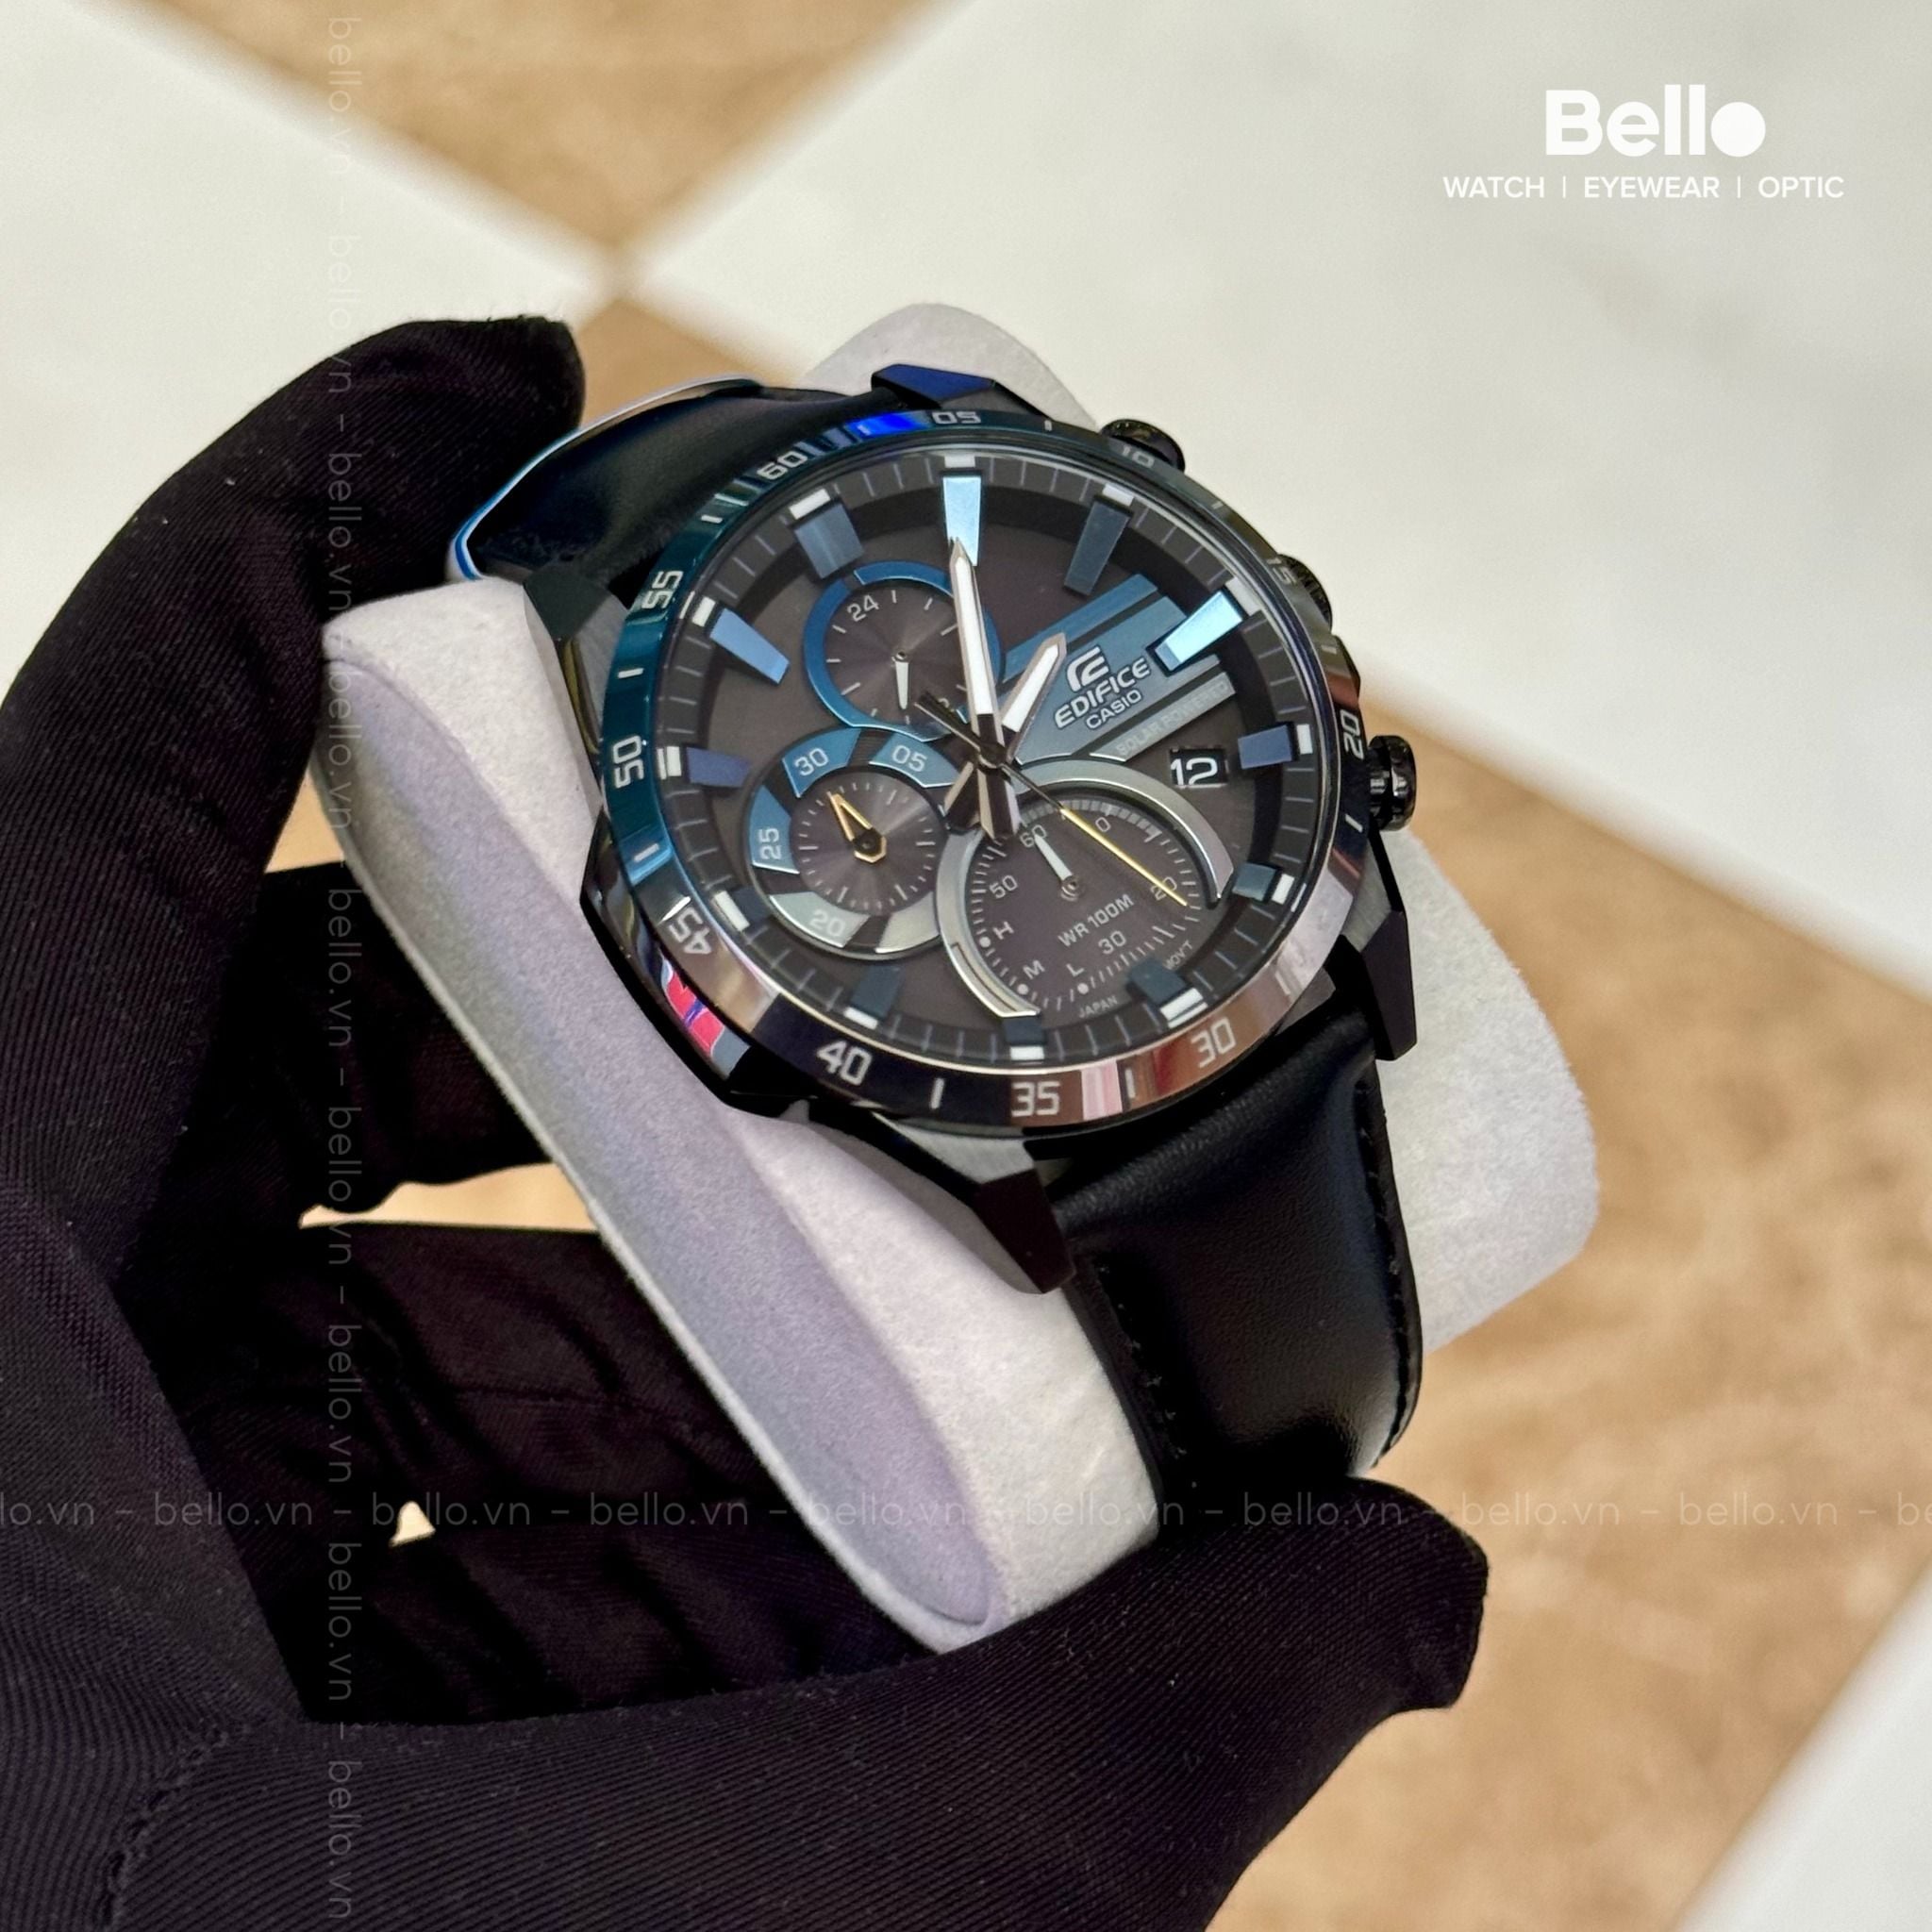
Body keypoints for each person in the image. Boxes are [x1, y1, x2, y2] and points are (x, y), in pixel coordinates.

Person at [0, 319, 1485, 1929]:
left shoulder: (999, 487)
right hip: (1013, 1109)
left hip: (1254, 976)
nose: (980, 754)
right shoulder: (638, 725)